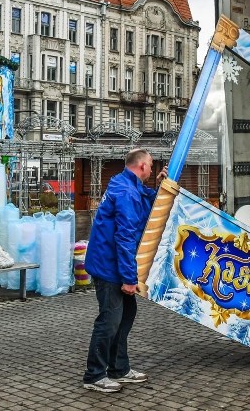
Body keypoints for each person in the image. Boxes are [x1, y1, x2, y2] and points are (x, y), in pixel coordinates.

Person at [82, 148, 166, 393]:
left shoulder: (125, 183)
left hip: (109, 262)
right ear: (141, 166)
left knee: (126, 315)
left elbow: (145, 198)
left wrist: (159, 187)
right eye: (151, 165)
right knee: (109, 321)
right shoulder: (127, 192)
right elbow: (125, 238)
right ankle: (94, 375)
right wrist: (130, 279)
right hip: (109, 266)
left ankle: (119, 368)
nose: (152, 170)